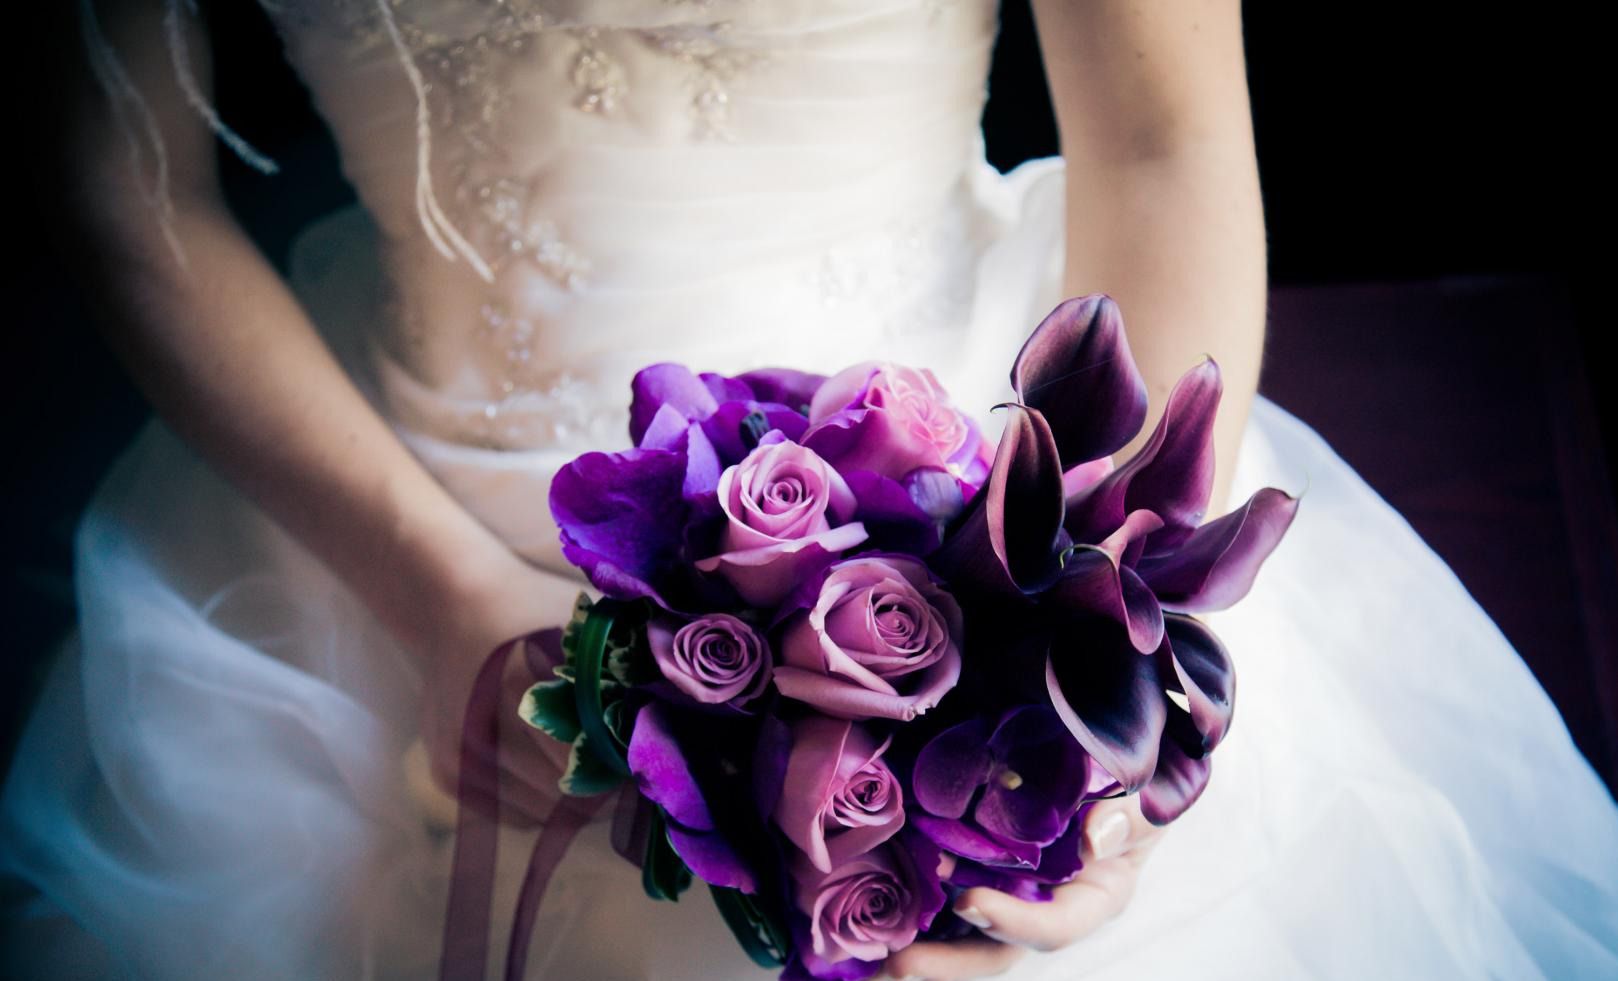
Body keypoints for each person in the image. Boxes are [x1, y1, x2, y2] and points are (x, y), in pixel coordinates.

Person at [3, 1, 1615, 978]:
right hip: (399, 506)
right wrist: (442, 594)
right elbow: (117, 178)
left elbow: (1161, 133)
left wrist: (1088, 664)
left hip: (981, 460)